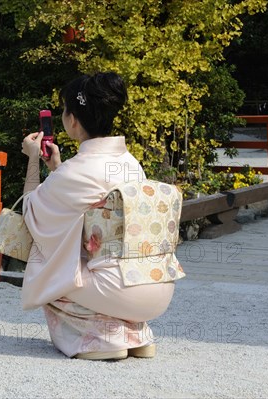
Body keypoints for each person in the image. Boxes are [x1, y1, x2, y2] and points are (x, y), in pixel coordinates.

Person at [20, 72, 184, 360]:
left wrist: (34, 158)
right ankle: (136, 335)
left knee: (46, 262)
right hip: (158, 284)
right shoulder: (131, 163)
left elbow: (31, 213)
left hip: (116, 289)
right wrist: (56, 166)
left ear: (72, 119)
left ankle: (103, 340)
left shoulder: (75, 171)